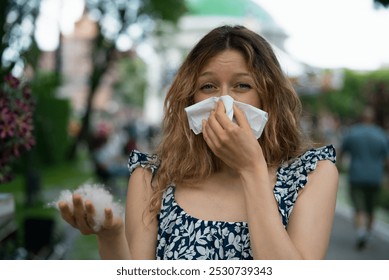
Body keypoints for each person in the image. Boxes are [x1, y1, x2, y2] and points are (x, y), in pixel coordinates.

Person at [58, 25, 339, 260]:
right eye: (208, 87)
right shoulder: (152, 179)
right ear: (190, 98)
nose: (224, 101)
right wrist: (110, 235)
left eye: (242, 85)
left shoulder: (312, 174)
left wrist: (251, 168)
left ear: (268, 97)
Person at [339, 107, 389, 250]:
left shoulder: (352, 133)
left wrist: (339, 168)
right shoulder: (381, 135)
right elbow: (386, 160)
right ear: (373, 119)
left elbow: (342, 153)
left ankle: (361, 232)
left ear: (361, 118)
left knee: (359, 207)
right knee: (371, 208)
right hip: (375, 177)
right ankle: (367, 232)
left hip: (356, 175)